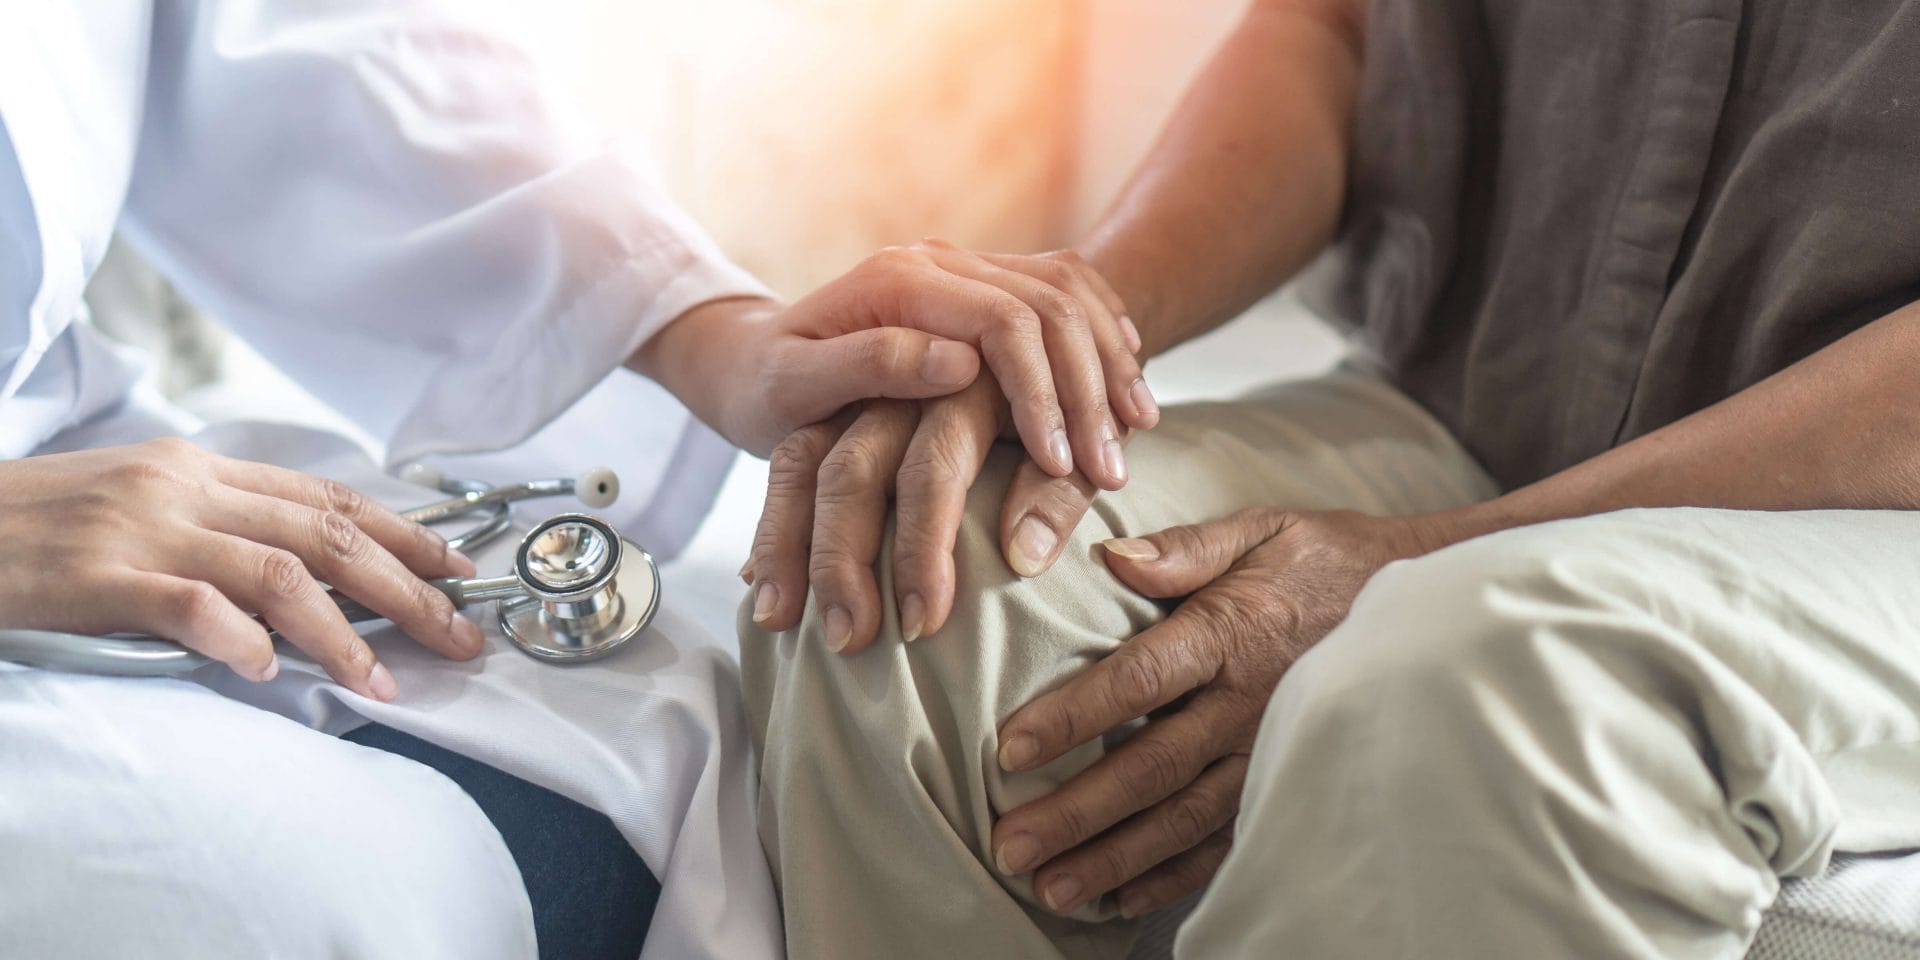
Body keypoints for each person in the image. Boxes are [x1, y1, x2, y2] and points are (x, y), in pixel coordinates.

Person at [740, 0, 1920, 957]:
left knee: (1497, 676)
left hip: (1866, 504)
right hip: (1483, 394)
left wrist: (1425, 558)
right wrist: (1067, 330)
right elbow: (1338, 30)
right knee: (922, 552)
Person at [0, 3, 1148, 958]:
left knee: (688, 734)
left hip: (79, 455)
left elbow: (281, 36)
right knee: (310, 902)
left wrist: (712, 332)